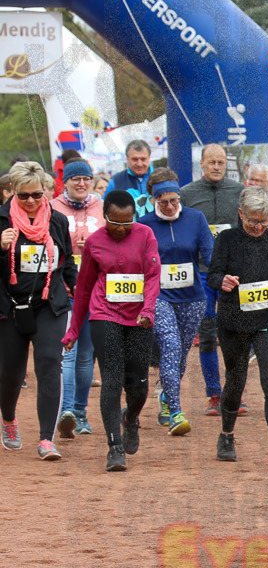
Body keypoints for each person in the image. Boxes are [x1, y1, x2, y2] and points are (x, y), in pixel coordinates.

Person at [62, 190, 160, 472]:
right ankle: (114, 447)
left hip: (140, 317)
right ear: (104, 217)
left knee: (139, 386)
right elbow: (82, 291)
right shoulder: (94, 243)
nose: (120, 228)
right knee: (112, 380)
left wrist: (148, 310)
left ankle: (130, 418)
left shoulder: (145, 236)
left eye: (126, 223)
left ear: (133, 218)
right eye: (114, 223)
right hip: (105, 314)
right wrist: (72, 331)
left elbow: (153, 277)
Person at [207, 186, 268, 470]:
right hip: (234, 320)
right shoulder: (226, 240)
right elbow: (212, 274)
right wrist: (221, 281)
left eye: (264, 221)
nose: (259, 227)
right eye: (252, 221)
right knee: (236, 380)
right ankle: (226, 435)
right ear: (240, 214)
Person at [0, 161, 77, 460]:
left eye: (36, 194)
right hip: (10, 307)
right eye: (23, 196)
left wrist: (83, 294)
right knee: (10, 373)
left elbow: (67, 263)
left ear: (45, 191)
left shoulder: (57, 221)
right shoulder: (2, 220)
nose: (31, 201)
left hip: (49, 304)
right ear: (12, 193)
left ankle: (47, 438)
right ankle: (8, 418)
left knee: (48, 363)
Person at [138, 168, 214, 436]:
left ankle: (165, 397)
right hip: (159, 296)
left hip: (192, 298)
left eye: (174, 200)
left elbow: (210, 255)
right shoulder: (144, 224)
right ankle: (176, 411)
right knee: (169, 346)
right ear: (153, 200)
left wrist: (224, 275)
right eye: (163, 202)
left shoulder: (196, 219)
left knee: (179, 356)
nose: (170, 207)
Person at [180, 143, 246, 417]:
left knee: (238, 336)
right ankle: (214, 394)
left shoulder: (239, 192)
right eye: (212, 162)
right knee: (207, 335)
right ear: (202, 165)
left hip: (233, 275)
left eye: (221, 162)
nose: (217, 166)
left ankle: (235, 395)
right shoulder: (186, 194)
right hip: (202, 275)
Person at [52, 158, 103, 438]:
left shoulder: (102, 206)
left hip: (96, 291)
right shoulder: (53, 207)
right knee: (68, 355)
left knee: (86, 356)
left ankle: (80, 414)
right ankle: (65, 412)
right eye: (75, 179)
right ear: (66, 182)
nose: (81, 184)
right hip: (65, 290)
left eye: (86, 178)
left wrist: (94, 247)